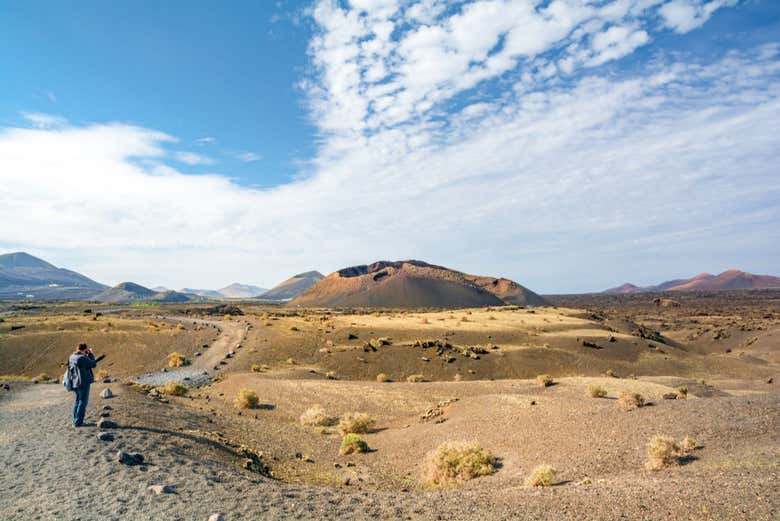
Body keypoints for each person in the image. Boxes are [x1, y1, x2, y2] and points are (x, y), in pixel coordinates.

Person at [68, 343, 99, 427]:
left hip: (75, 383)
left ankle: (75, 420)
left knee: (78, 401)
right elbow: (93, 364)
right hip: (83, 383)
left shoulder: (72, 356)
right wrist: (91, 354)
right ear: (85, 349)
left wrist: (86, 354)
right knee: (83, 402)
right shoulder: (82, 358)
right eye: (86, 350)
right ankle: (78, 422)